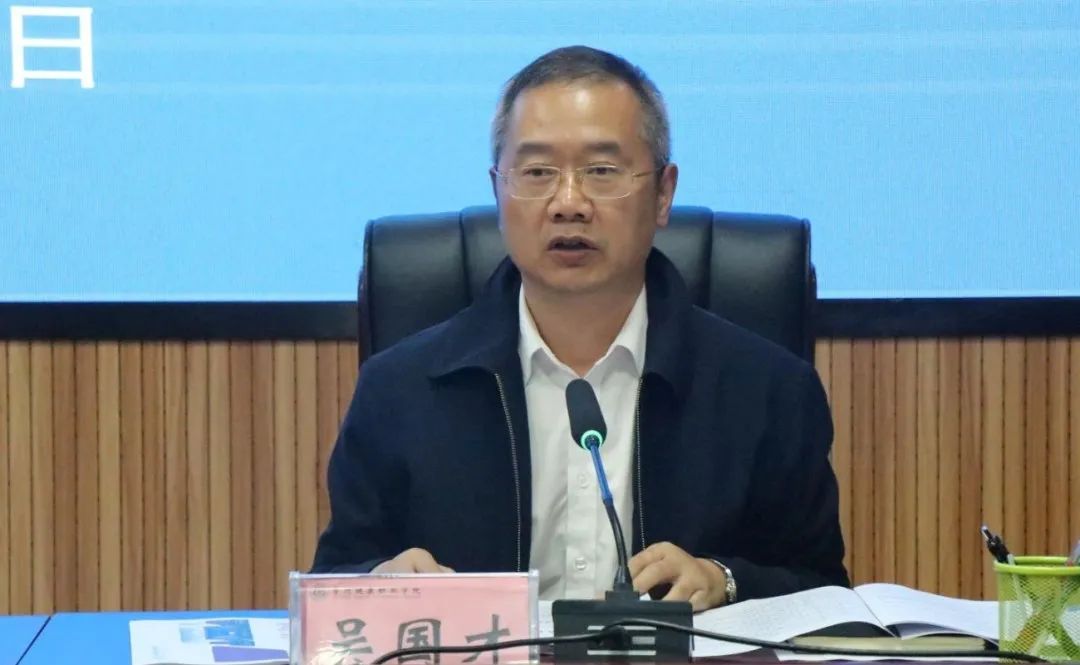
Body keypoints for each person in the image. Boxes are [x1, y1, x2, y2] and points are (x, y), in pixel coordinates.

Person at [311, 45, 848, 611]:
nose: (568, 203)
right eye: (537, 173)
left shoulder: (769, 391)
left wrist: (725, 581)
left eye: (602, 171)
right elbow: (335, 583)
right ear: (498, 190)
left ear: (663, 194)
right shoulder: (399, 390)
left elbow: (821, 590)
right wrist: (381, 581)